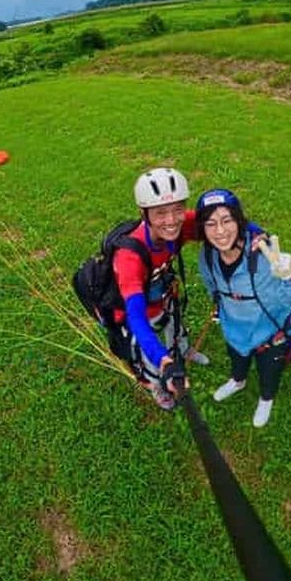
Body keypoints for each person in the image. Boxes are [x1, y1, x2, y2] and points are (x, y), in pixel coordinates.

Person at [196, 188, 291, 427]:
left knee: (270, 372)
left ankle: (266, 399)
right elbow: (210, 284)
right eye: (210, 224)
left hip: (270, 336)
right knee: (238, 362)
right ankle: (238, 381)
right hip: (234, 331)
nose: (220, 231)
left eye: (227, 220)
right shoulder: (207, 255)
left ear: (239, 221)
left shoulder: (264, 255)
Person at [110, 167, 210, 410]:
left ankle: (183, 351)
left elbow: (226, 220)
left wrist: (259, 237)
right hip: (137, 310)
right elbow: (136, 316)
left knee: (176, 326)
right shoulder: (129, 257)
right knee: (149, 357)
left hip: (163, 296)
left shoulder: (180, 224)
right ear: (144, 214)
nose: (171, 220)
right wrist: (162, 360)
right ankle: (157, 386)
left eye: (178, 209)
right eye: (160, 213)